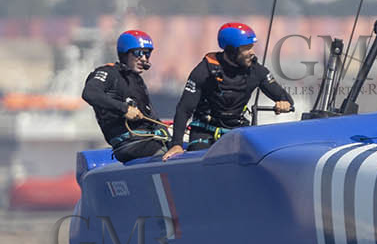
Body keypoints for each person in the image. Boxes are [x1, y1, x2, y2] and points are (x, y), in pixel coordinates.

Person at [164, 22, 292, 158]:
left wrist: (284, 103)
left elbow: (285, 98)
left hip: (237, 132)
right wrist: (176, 144)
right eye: (246, 48)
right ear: (231, 51)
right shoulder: (205, 70)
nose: (252, 53)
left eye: (252, 47)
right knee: (200, 157)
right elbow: (184, 109)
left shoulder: (256, 71)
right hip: (204, 132)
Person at [82, 29, 173, 163]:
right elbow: (90, 93)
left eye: (147, 54)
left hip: (149, 141)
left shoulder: (137, 81)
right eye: (138, 53)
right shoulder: (109, 72)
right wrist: (124, 109)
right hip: (130, 145)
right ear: (125, 54)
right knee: (174, 156)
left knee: (185, 146)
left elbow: (152, 118)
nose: (144, 58)